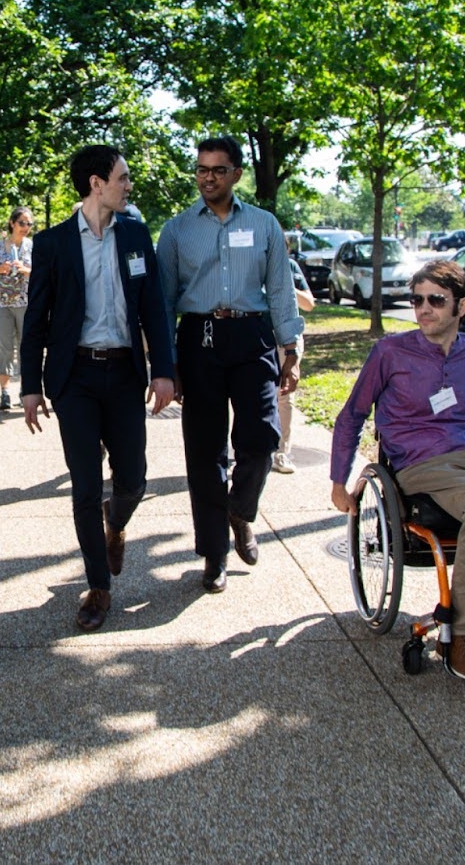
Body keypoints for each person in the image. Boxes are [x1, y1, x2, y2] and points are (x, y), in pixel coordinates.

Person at [329, 258, 465, 685]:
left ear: (461, 306)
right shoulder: (390, 353)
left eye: (435, 300)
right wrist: (339, 481)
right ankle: (461, 635)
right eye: (416, 300)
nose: (423, 308)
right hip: (419, 462)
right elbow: (351, 415)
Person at [19, 145, 175, 632]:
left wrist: (164, 370)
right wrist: (30, 386)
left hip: (125, 373)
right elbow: (36, 320)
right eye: (122, 178)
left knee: (134, 479)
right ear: (96, 183)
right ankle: (98, 586)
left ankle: (116, 522)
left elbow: (153, 305)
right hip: (76, 379)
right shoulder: (53, 244)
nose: (129, 185)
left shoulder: (134, 234)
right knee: (85, 485)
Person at [156, 137, 304, 594]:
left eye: (218, 170)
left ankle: (241, 510)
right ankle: (215, 552)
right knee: (204, 451)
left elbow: (280, 289)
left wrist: (290, 349)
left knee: (261, 436)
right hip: (198, 338)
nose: (207, 178)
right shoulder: (177, 231)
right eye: (201, 169)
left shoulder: (263, 225)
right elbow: (162, 302)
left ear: (236, 174)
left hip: (251, 335)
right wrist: (167, 362)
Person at [0, 207, 34, 410]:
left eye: (29, 224)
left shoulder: (33, 247)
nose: (26, 227)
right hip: (2, 305)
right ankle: (4, 394)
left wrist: (25, 270)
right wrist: (0, 269)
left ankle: (26, 390)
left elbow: (42, 274)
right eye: (22, 222)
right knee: (4, 348)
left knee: (26, 348)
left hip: (25, 304)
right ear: (12, 223)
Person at [273, 257, 317, 474]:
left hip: (287, 338)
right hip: (257, 335)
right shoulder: (249, 261)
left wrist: (285, 284)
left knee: (284, 396)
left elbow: (309, 304)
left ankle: (282, 452)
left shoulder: (289, 266)